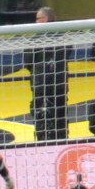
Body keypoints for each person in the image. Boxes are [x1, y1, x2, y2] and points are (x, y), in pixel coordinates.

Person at [24, 7, 69, 142]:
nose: (36, 22)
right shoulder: (64, 38)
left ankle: (43, 141)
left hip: (42, 87)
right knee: (60, 119)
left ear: (46, 19)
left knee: (42, 120)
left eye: (38, 18)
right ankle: (62, 141)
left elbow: (28, 62)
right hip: (58, 86)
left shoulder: (34, 41)